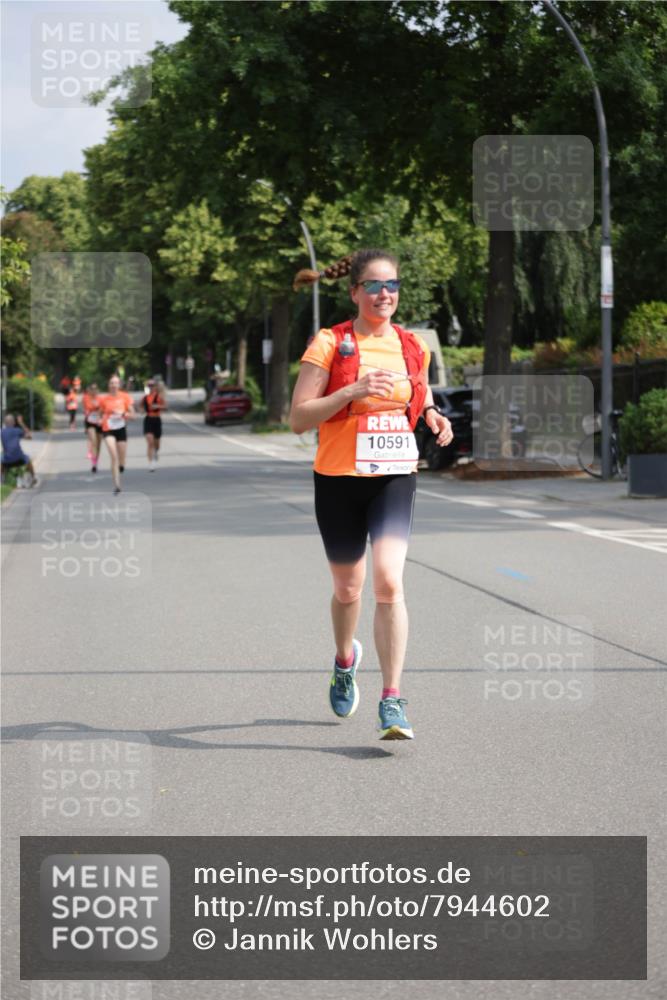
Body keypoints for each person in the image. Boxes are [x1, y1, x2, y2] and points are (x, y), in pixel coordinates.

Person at [289, 248, 453, 740]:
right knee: (348, 589)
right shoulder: (330, 342)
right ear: (355, 292)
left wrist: (432, 414)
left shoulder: (412, 344)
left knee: (388, 581)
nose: (385, 294)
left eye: (393, 285)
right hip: (337, 478)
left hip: (394, 476)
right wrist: (350, 391)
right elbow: (298, 418)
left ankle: (392, 700)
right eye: (375, 286)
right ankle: (345, 661)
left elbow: (418, 390)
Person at [98, 374, 136, 494]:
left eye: (115, 383)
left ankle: (121, 465)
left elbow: (133, 416)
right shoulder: (104, 399)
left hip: (120, 428)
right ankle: (117, 485)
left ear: (119, 385)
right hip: (108, 428)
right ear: (108, 385)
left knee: (121, 458)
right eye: (111, 383)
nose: (113, 385)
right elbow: (100, 414)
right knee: (113, 456)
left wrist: (123, 414)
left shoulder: (125, 397)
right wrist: (100, 420)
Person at [1, 414, 38, 487]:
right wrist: (21, 423)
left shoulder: (2, 432)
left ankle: (2, 480)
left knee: (1, 459)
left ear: (5, 423)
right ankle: (33, 478)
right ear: (14, 422)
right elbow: (29, 436)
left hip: (7, 460)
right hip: (19, 458)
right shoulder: (17, 430)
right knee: (28, 460)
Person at [141, 377, 167, 471]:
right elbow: (140, 407)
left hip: (157, 419)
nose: (151, 387)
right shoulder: (145, 398)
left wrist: (158, 406)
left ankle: (156, 452)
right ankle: (151, 463)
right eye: (149, 385)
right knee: (150, 442)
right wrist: (141, 410)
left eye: (152, 385)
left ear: (155, 387)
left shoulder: (159, 397)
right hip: (148, 419)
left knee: (157, 443)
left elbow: (165, 406)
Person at [82, 383, 103, 473]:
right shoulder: (86, 398)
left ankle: (96, 461)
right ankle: (94, 464)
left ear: (98, 390)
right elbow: (86, 408)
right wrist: (91, 410)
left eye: (95, 389)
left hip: (99, 422)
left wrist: (100, 414)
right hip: (90, 421)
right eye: (92, 389)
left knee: (98, 444)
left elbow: (103, 409)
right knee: (93, 441)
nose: (94, 390)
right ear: (89, 390)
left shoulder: (101, 399)